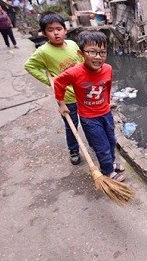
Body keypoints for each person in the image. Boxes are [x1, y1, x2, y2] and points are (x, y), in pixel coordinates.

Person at [54, 30, 126, 182]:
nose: (98, 57)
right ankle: (107, 171)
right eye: (92, 52)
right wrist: (61, 104)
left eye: (102, 52)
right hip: (89, 118)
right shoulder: (74, 72)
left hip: (106, 113)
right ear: (81, 53)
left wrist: (107, 101)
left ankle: (111, 163)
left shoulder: (108, 69)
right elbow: (58, 83)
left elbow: (108, 86)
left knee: (111, 140)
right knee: (102, 146)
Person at [24, 12, 84, 165]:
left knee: (89, 122)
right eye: (50, 30)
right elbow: (29, 66)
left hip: (83, 92)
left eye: (59, 28)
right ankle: (74, 150)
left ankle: (93, 145)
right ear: (44, 33)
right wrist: (50, 82)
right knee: (71, 125)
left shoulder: (72, 44)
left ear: (65, 29)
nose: (56, 33)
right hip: (66, 96)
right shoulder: (43, 52)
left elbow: (82, 62)